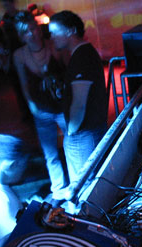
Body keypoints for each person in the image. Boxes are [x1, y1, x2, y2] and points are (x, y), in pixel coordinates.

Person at [13, 10, 68, 201]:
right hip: (42, 109)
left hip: (61, 105)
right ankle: (59, 188)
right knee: (50, 152)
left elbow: (67, 73)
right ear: (21, 36)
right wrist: (31, 106)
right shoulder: (19, 55)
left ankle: (81, 181)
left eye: (34, 28)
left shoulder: (53, 46)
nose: (33, 33)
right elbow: (23, 84)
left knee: (71, 145)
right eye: (28, 31)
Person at [48, 11, 108, 186]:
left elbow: (79, 105)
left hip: (83, 134)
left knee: (84, 186)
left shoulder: (82, 57)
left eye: (54, 32)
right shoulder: (84, 53)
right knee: (91, 182)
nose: (51, 37)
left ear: (70, 31)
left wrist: (71, 132)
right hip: (90, 130)